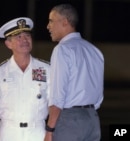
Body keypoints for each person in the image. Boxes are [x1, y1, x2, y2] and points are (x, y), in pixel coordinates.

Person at [0, 17, 50, 141]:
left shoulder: (46, 69)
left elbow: (55, 104)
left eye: (27, 36)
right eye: (18, 37)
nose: (24, 40)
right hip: (8, 133)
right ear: (8, 44)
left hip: (38, 133)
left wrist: (51, 132)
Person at [44, 4, 104, 141]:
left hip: (69, 120)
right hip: (92, 120)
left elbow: (57, 96)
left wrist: (49, 130)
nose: (48, 26)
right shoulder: (94, 51)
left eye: (51, 21)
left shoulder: (62, 50)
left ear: (65, 22)